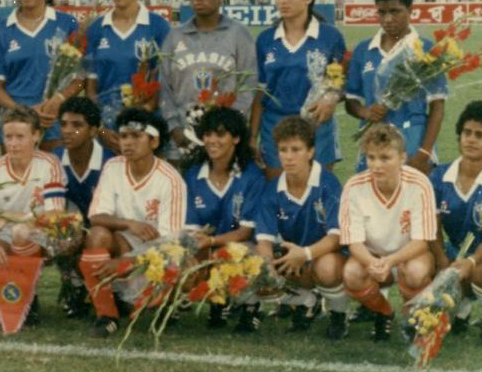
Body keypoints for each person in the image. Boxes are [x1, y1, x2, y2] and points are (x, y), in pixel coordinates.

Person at [79, 107, 186, 339]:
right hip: (125, 244)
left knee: (181, 256)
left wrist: (125, 262)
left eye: (136, 136)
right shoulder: (113, 167)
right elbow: (96, 216)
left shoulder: (171, 180)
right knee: (97, 234)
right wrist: (129, 224)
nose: (128, 142)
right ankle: (107, 315)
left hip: (155, 258)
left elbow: (171, 242)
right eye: (124, 136)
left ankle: (160, 302)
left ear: (154, 141)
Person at [427, 101, 482, 346]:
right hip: (458, 249)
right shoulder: (438, 176)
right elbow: (433, 229)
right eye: (467, 133)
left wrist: (470, 262)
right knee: (428, 265)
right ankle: (461, 310)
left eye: (480, 135)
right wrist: (441, 259)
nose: (471, 140)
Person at [339, 123, 436, 341]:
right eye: (371, 158)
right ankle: (383, 312)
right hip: (371, 255)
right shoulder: (354, 187)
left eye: (385, 158)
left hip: (408, 254)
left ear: (402, 157)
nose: (376, 165)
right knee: (351, 274)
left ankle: (414, 316)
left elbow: (422, 241)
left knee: (417, 272)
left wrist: (390, 261)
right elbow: (354, 243)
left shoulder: (420, 184)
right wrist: (373, 263)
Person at [253, 116, 348, 340]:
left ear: (311, 151)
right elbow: (264, 238)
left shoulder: (328, 183)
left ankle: (339, 314)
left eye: (296, 149)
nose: (288, 156)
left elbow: (337, 236)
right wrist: (267, 266)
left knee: (326, 268)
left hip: (325, 254)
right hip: (295, 257)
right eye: (283, 150)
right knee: (260, 263)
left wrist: (304, 254)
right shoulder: (272, 189)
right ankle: (306, 301)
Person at [248, 0, 345, 179]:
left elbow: (338, 82)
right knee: (277, 194)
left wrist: (331, 99)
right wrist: (252, 136)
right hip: (274, 127)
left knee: (317, 193)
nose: (283, 1)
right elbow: (261, 92)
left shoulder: (330, 36)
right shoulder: (265, 39)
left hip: (317, 127)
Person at [345, 0, 445, 175]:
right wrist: (365, 112)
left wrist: (424, 153)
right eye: (381, 12)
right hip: (373, 142)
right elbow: (351, 100)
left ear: (410, 10)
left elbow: (437, 107)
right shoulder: (364, 50)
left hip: (413, 141)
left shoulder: (426, 49)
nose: (388, 19)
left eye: (395, 11)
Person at [0, 106, 68, 323]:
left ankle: (29, 298)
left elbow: (54, 214)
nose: (13, 143)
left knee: (20, 232)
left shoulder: (50, 164)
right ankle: (7, 297)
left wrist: (9, 217)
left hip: (46, 231)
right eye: (8, 137)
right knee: (2, 243)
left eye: (20, 136)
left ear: (36, 135)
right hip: (7, 231)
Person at [183, 107, 267, 332]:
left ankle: (251, 306)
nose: (212, 140)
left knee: (237, 253)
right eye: (208, 134)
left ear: (236, 138)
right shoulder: (193, 175)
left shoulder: (252, 176)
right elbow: (192, 228)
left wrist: (210, 242)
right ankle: (217, 302)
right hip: (208, 245)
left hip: (245, 246)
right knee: (186, 260)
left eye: (220, 135)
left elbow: (244, 233)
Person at [0, 0, 82, 151]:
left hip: (54, 121)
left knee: (54, 178)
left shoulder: (67, 24)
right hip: (16, 124)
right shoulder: (0, 30)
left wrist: (59, 100)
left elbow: (81, 77)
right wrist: (24, 112)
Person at [160, 0, 257, 151]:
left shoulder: (239, 34)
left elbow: (248, 85)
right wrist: (174, 127)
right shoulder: (175, 36)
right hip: (182, 138)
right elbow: (164, 87)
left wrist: (228, 125)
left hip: (224, 137)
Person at [85, 0, 171, 149]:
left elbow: (162, 80)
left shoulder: (158, 26)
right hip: (107, 129)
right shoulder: (97, 28)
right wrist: (100, 127)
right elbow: (90, 88)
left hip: (144, 125)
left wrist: (140, 116)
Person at [53, 96, 113, 318]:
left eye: (77, 125)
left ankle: (112, 288)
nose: (68, 131)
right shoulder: (54, 160)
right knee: (58, 226)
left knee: (97, 235)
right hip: (76, 224)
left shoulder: (110, 162)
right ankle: (75, 286)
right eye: (64, 124)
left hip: (105, 227)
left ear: (94, 131)